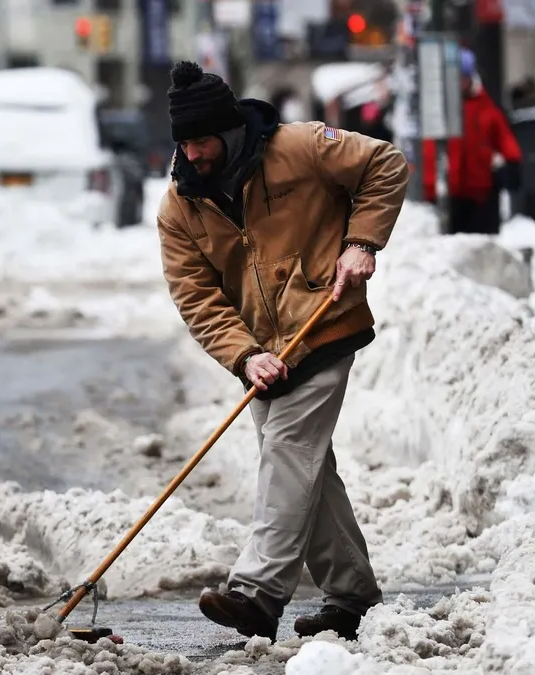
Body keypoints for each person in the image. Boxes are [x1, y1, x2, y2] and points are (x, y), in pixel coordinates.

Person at [155, 61, 408, 641]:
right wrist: (244, 356)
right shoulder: (179, 207)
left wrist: (362, 242)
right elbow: (196, 297)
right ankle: (352, 596)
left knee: (289, 451)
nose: (193, 154)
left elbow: (385, 164)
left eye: (202, 141)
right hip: (264, 352)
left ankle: (258, 592)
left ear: (227, 129)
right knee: (306, 471)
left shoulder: (300, 147)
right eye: (184, 144)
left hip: (323, 320)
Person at [423, 49, 522, 234]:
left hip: (480, 191)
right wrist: (430, 186)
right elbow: (429, 151)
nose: (459, 83)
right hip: (451, 192)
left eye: (463, 78)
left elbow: (503, 137)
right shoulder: (438, 109)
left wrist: (512, 161)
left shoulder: (485, 106)